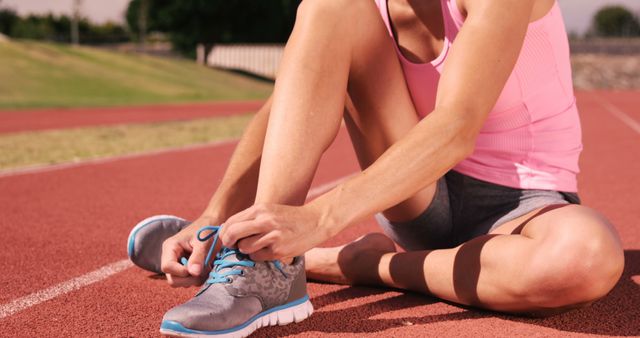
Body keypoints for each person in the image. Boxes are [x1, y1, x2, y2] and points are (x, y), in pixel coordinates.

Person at [128, 0, 625, 336]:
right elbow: (287, 105)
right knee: (327, 5)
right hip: (416, 196)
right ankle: (263, 265)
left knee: (585, 259)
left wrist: (318, 222)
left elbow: (456, 125)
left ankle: (357, 264)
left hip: (523, 208)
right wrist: (213, 216)